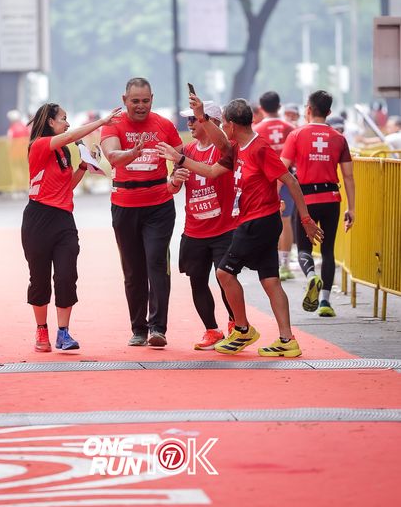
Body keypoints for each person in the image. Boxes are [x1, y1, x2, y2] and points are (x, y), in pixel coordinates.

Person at [158, 96, 323, 359]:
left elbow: (290, 181)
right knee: (270, 280)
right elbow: (210, 171)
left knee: (224, 273)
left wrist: (306, 220)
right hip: (258, 220)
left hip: (258, 221)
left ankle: (242, 329)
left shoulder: (259, 148)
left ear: (232, 125)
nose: (222, 129)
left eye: (223, 124)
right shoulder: (236, 148)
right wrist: (184, 151)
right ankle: (287, 340)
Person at [21, 102, 121, 352]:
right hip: (38, 218)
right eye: (63, 119)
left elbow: (66, 186)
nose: (67, 123)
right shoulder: (39, 145)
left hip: (64, 219)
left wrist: (84, 166)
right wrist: (101, 122)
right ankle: (41, 330)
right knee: (39, 279)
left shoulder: (64, 151)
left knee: (66, 275)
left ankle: (63, 333)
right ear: (50, 122)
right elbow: (70, 136)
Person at [101, 77, 182, 348]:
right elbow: (112, 156)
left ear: (152, 99)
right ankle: (138, 328)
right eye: (135, 101)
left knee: (157, 262)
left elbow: (181, 157)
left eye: (145, 101)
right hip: (124, 206)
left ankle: (158, 327)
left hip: (159, 206)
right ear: (124, 100)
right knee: (133, 270)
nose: (140, 106)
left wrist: (177, 178)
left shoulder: (164, 125)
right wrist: (132, 153)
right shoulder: (114, 124)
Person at [168, 101, 236, 350]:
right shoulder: (186, 150)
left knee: (225, 279)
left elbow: (221, 150)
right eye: (188, 119)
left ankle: (236, 325)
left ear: (212, 121)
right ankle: (211, 330)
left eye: (194, 119)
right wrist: (175, 180)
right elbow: (171, 188)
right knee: (197, 281)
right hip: (194, 230)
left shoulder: (224, 148)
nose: (189, 123)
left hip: (224, 229)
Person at [281, 90, 355, 318]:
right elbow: (348, 176)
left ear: (308, 109)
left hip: (306, 201)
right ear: (329, 112)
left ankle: (312, 276)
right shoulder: (339, 138)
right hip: (331, 199)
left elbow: (281, 170)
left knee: (304, 247)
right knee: (328, 249)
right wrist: (352, 208)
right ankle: (325, 302)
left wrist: (274, 199)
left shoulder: (296, 135)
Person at [254, 91, 296, 281]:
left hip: (264, 181)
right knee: (286, 221)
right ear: (279, 107)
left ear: (261, 108)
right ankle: (285, 265)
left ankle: (269, 264)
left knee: (265, 221)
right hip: (286, 180)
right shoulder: (290, 129)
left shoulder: (256, 130)